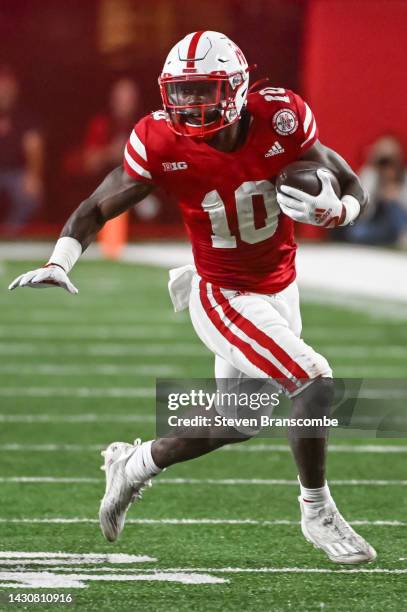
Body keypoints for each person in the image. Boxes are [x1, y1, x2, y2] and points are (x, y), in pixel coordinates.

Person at [9, 31, 375, 564]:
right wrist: (58, 260)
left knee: (237, 421)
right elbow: (95, 207)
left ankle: (133, 464)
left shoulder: (282, 118)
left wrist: (339, 212)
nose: (190, 105)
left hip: (280, 285)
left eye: (203, 90)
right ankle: (316, 510)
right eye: (180, 92)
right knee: (314, 379)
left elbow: (348, 181)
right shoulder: (160, 140)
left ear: (237, 86)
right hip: (223, 293)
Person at [0, 65, 44, 235]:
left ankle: (10, 234)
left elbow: (34, 148)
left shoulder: (24, 116)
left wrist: (34, 176)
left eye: (7, 87)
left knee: (29, 195)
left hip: (16, 174)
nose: (4, 92)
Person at [346, 135, 407, 246]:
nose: (387, 167)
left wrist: (395, 197)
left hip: (399, 226)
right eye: (383, 162)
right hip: (376, 224)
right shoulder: (370, 175)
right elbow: (362, 211)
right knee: (356, 233)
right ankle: (391, 240)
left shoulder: (404, 178)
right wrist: (379, 194)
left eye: (390, 162)